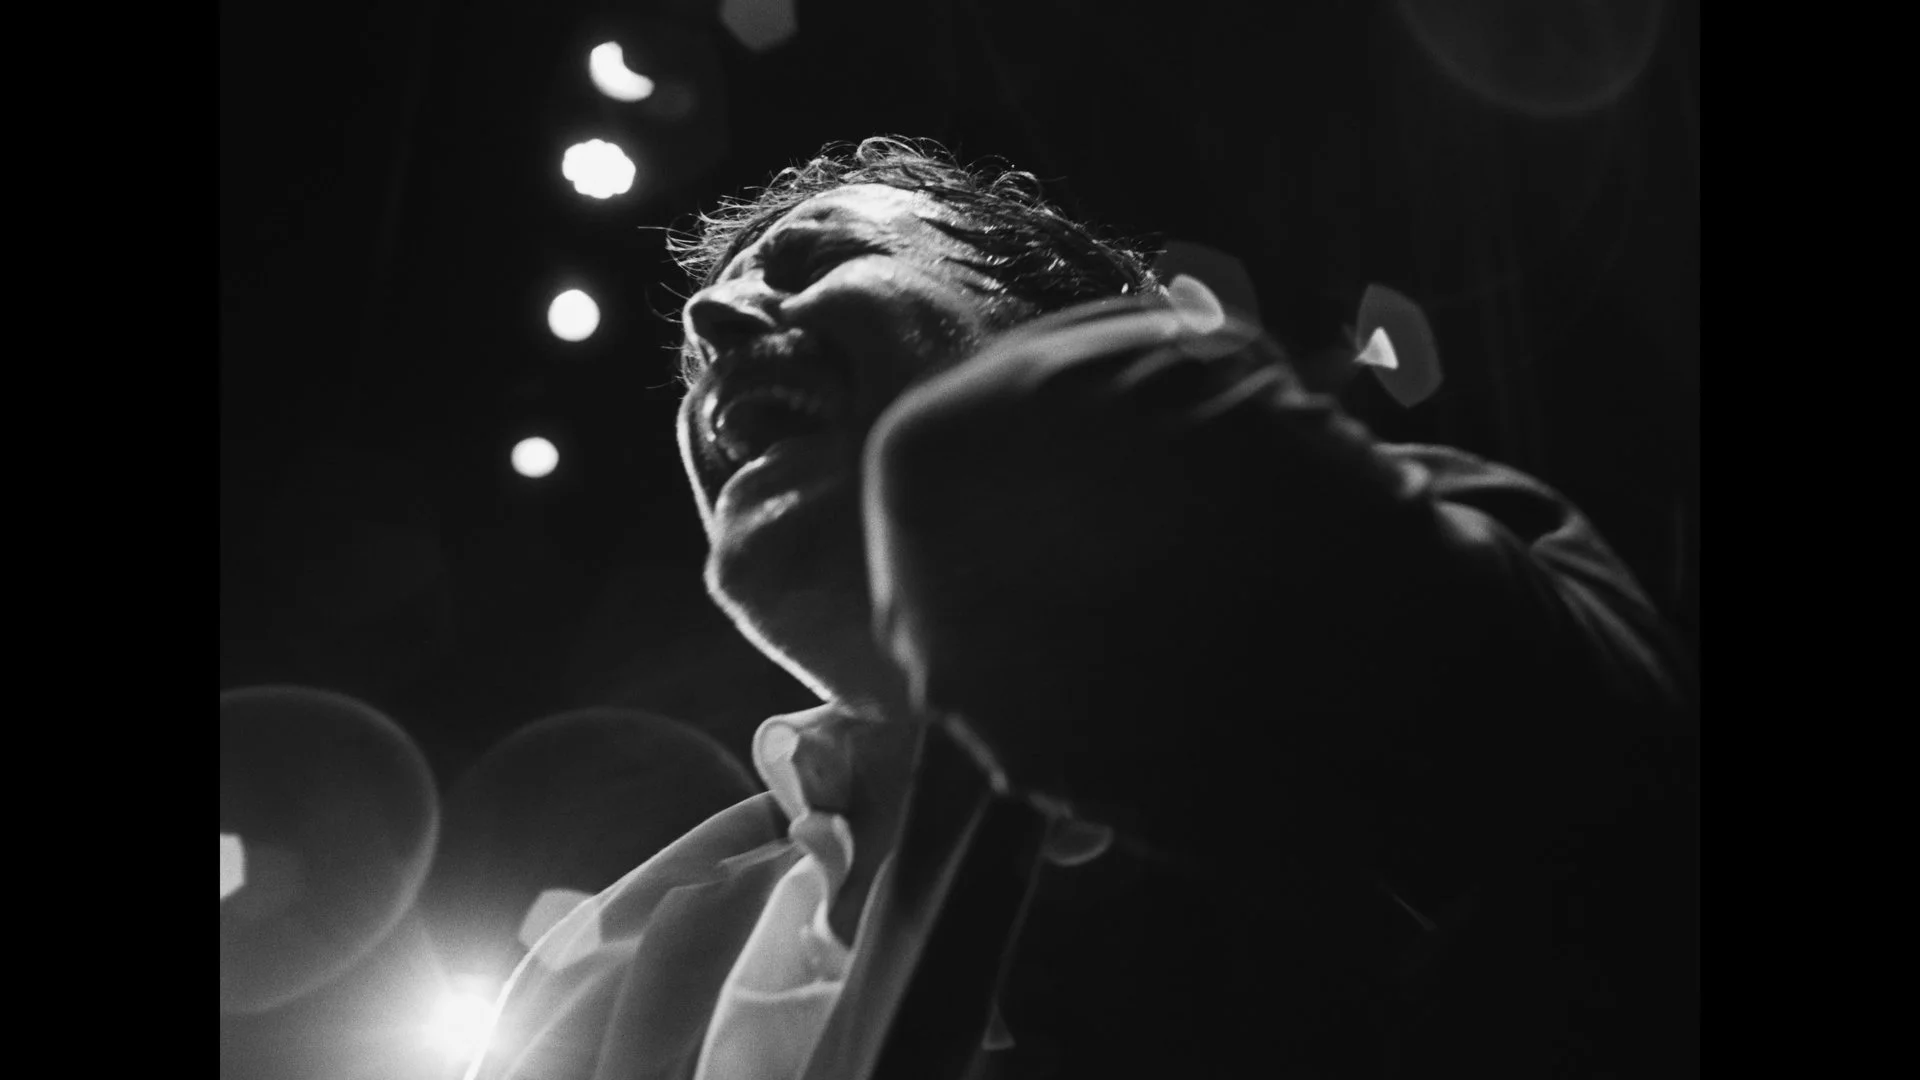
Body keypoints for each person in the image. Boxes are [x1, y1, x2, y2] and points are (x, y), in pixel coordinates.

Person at [465, 136, 1698, 1080]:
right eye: (695, 353)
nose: (713, 322)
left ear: (1055, 322)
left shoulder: (1380, 575)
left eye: (815, 260)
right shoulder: (607, 953)